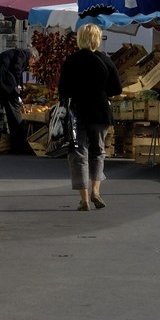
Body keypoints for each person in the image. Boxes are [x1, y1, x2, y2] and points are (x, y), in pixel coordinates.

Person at [56, 23, 121, 210]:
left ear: (80, 38)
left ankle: (84, 199)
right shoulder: (105, 59)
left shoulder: (72, 60)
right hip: (101, 111)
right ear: (97, 39)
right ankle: (96, 191)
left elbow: (63, 90)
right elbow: (117, 88)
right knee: (98, 152)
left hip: (78, 112)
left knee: (79, 153)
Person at [0, 46, 32, 155]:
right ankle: (18, 147)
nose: (31, 65)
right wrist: (17, 87)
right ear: (32, 56)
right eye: (33, 62)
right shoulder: (22, 54)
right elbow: (16, 69)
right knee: (14, 116)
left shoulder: (12, 53)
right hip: (6, 86)